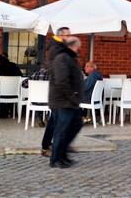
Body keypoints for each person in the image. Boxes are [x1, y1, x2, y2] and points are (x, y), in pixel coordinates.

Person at [49, 36, 84, 168]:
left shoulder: (69, 58)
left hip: (70, 101)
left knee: (75, 125)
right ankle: (55, 159)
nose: (78, 50)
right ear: (72, 46)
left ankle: (62, 155)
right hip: (63, 101)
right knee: (62, 130)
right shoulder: (62, 58)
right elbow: (62, 82)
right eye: (77, 47)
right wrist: (73, 98)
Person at [41, 26, 71, 157]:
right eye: (67, 35)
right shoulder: (56, 49)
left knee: (55, 120)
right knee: (57, 121)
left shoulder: (58, 48)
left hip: (58, 89)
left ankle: (49, 145)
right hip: (58, 90)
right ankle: (49, 147)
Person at [0, 53, 22, 118]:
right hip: (14, 93)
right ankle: (9, 110)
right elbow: (21, 77)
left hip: (0, 93)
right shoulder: (14, 67)